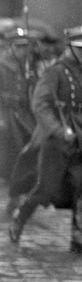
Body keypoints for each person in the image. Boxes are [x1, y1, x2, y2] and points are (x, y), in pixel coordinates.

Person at [8, 26, 82, 254]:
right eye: (79, 49)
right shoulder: (55, 72)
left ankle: (78, 236)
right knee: (46, 189)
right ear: (68, 49)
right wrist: (59, 130)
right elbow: (40, 105)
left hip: (80, 137)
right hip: (55, 140)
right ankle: (19, 220)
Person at [0, 27, 38, 184]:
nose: (23, 50)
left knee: (27, 140)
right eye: (18, 46)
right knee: (7, 142)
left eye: (25, 46)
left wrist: (31, 78)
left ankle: (18, 176)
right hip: (6, 110)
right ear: (10, 46)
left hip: (23, 111)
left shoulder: (27, 65)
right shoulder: (2, 66)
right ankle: (4, 175)